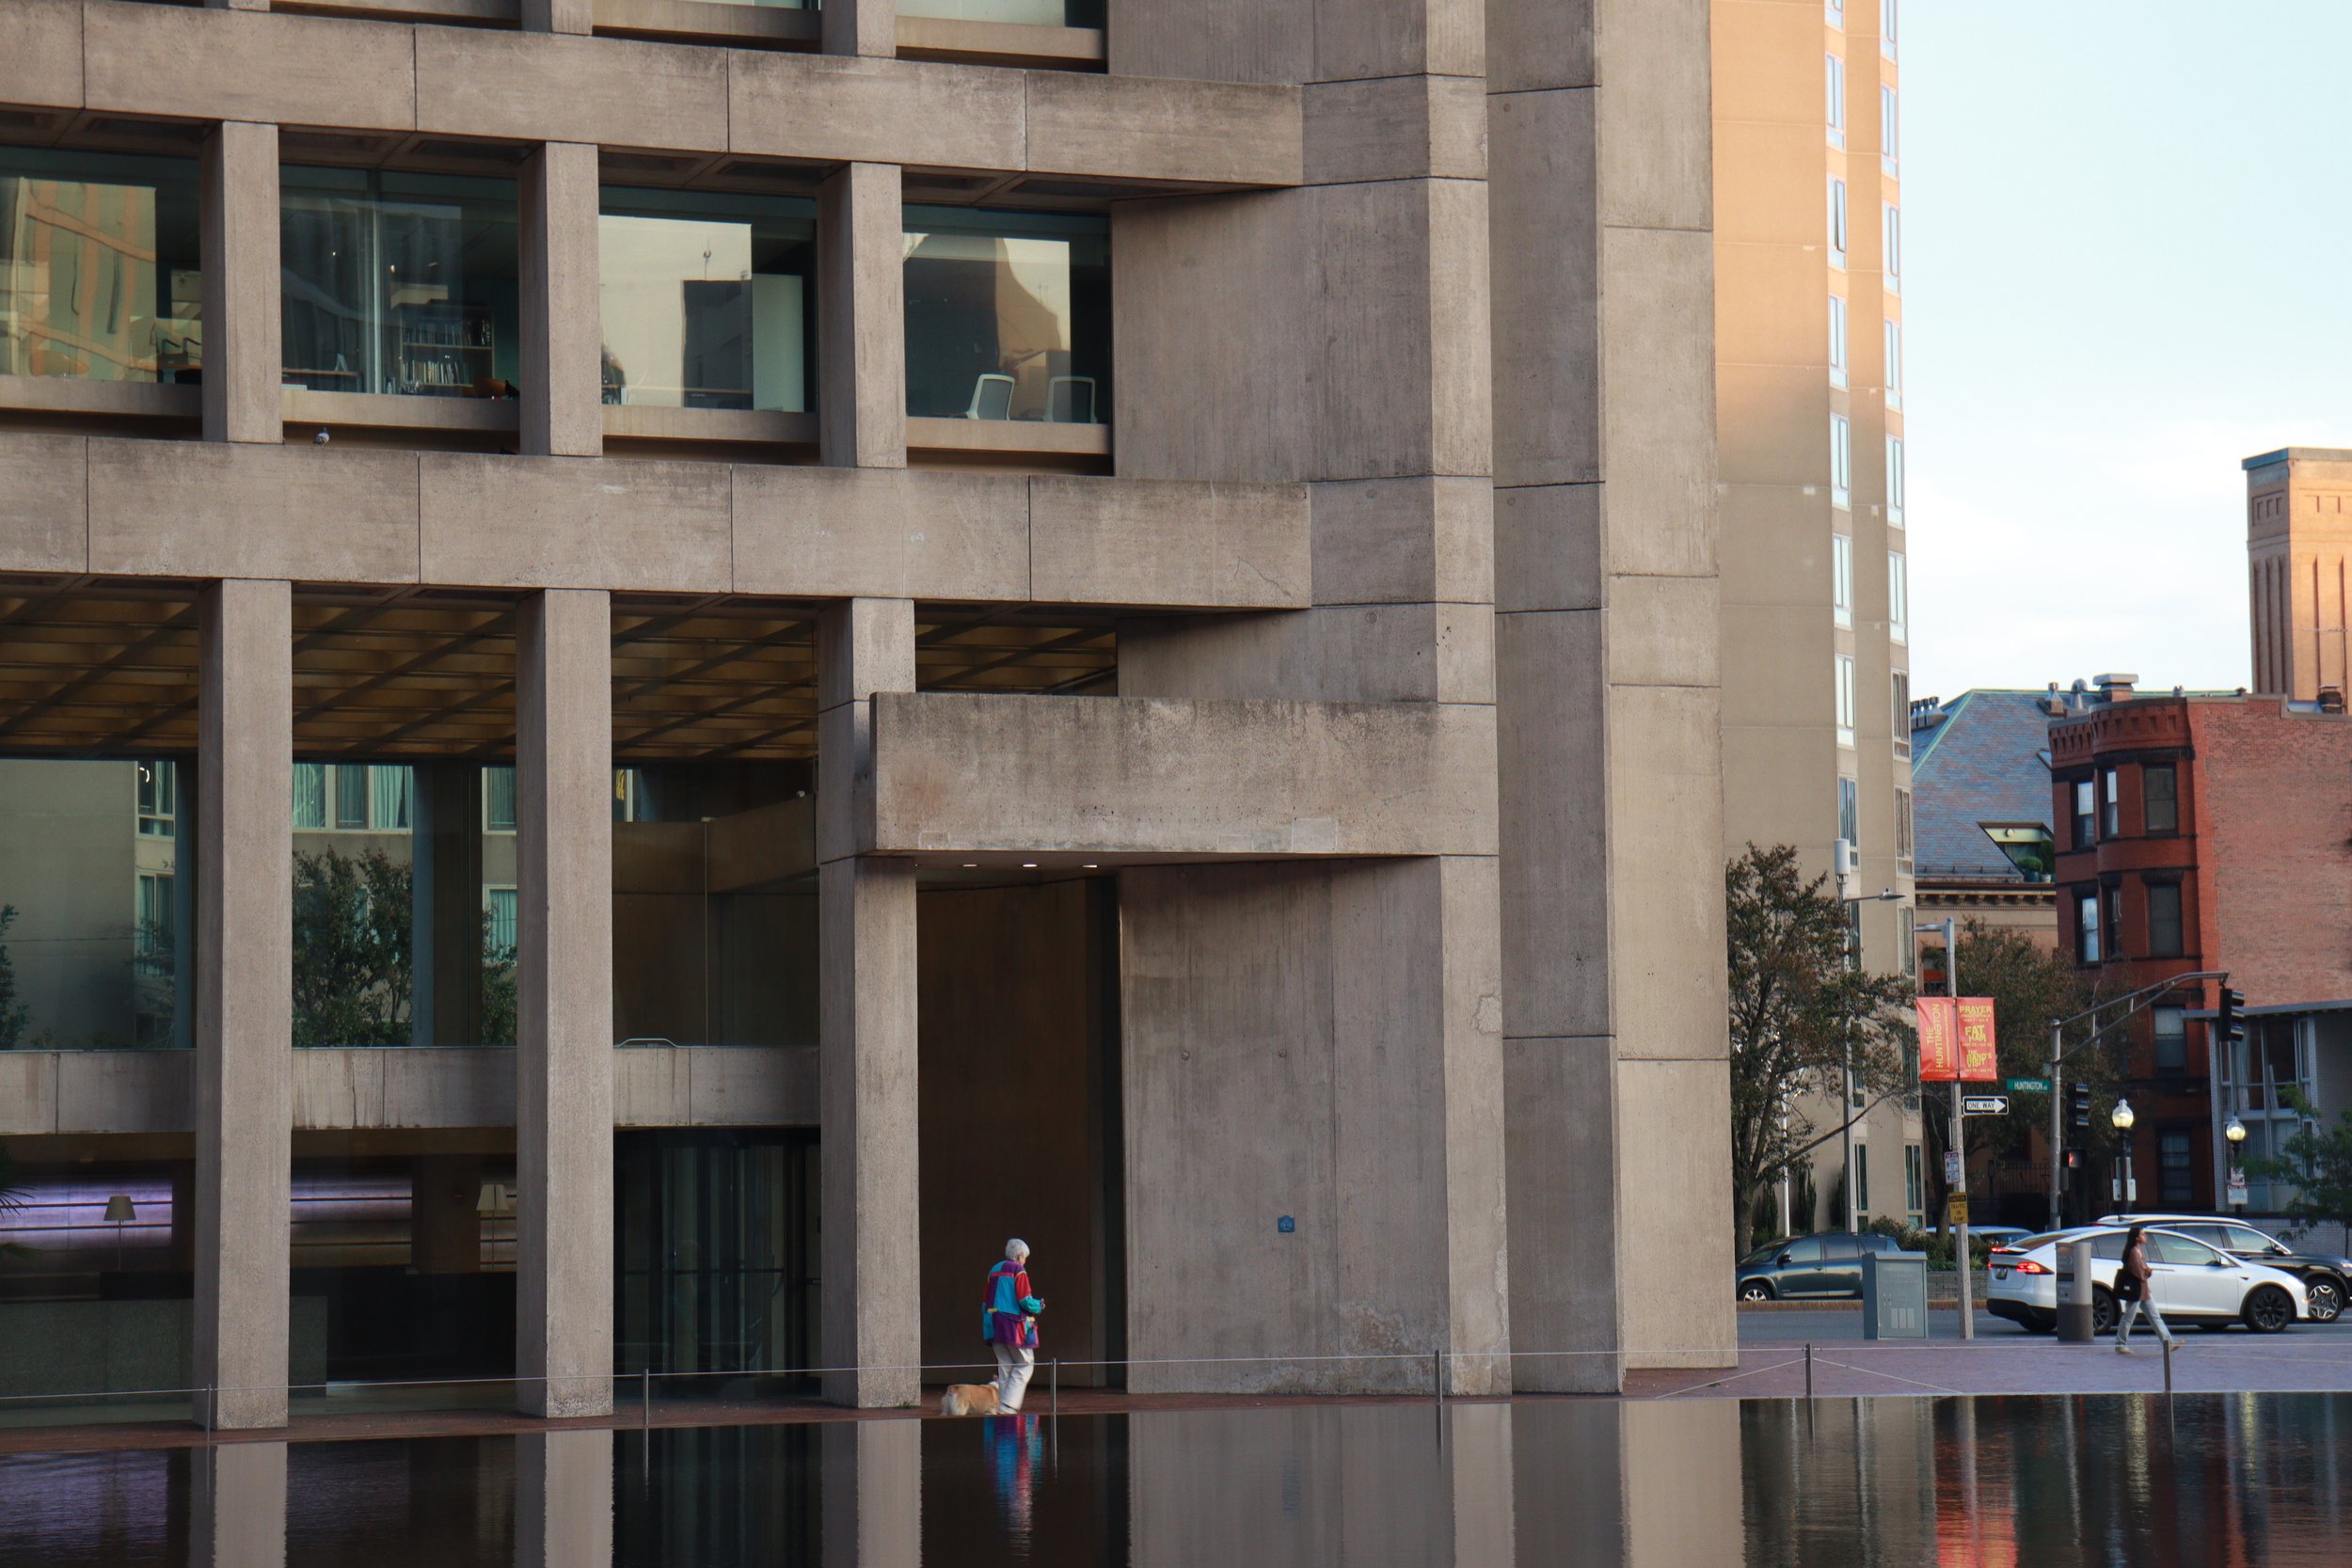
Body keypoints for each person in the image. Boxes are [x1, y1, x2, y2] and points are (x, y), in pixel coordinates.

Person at [983, 1238, 1045, 1412]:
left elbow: (984, 1301)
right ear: (1019, 1256)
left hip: (993, 1322)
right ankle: (1008, 1405)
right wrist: (1039, 1305)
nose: (1025, 1261)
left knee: (1005, 1365)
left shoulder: (993, 1270)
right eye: (1025, 1257)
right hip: (1012, 1323)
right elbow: (1024, 1300)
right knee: (1026, 1363)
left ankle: (1001, 1404)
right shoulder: (1019, 1270)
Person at [2113, 1224, 2175, 1354]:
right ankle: (2120, 1343)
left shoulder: (2138, 1250)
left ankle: (2168, 1342)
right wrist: (2147, 1271)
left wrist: (2146, 1270)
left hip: (2144, 1290)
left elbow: (2142, 1270)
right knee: (2129, 1317)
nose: (2145, 1236)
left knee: (2155, 1316)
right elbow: (2139, 1272)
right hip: (2137, 1290)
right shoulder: (2133, 1251)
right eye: (2142, 1234)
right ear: (2136, 1238)